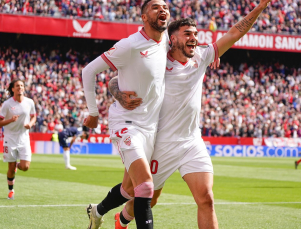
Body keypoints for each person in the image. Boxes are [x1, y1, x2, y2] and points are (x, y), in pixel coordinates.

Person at [110, 1, 273, 226]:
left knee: (206, 199)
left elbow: (235, 33)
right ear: (172, 39)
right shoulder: (156, 60)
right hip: (160, 143)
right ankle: (123, 218)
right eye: (187, 34)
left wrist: (260, 8)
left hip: (191, 142)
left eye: (195, 34)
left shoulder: (202, 57)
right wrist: (120, 95)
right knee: (149, 198)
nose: (194, 38)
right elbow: (114, 81)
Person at [82, 1, 170, 228]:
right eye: (155, 7)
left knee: (129, 189)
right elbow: (89, 70)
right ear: (143, 17)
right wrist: (93, 113)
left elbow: (117, 80)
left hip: (152, 127)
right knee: (146, 187)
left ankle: (97, 211)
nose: (162, 10)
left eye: (165, 7)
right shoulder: (130, 45)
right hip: (127, 123)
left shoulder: (166, 41)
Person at [0, 79, 36, 199]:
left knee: (25, 167)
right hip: (10, 138)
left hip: (24, 138)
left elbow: (34, 116)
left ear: (24, 88)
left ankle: (18, 165)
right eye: (17, 86)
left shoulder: (29, 102)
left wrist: (30, 124)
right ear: (12, 89)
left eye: (22, 85)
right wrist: (10, 120)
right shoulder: (7, 104)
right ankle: (11, 190)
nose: (20, 87)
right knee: (10, 168)